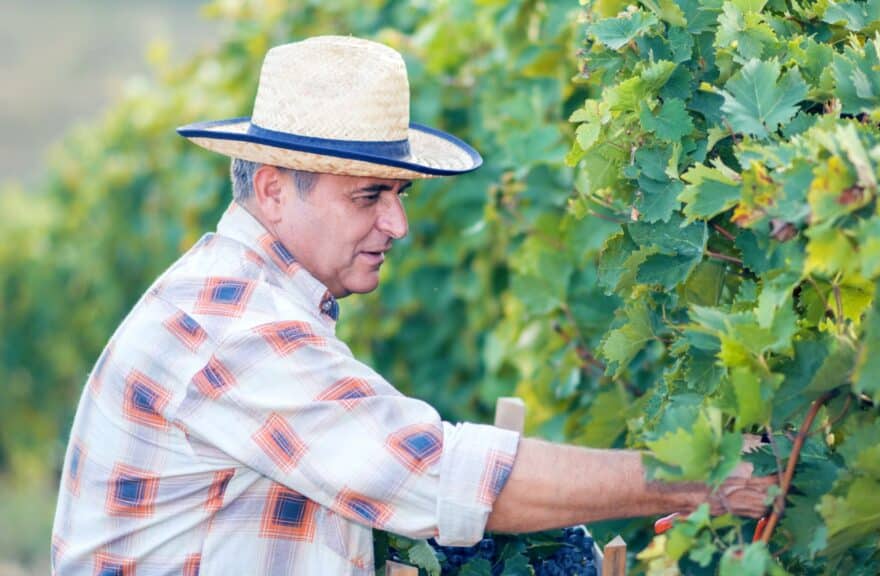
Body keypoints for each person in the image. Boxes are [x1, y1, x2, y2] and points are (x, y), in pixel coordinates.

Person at [51, 36, 772, 575]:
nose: (398, 226)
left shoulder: (249, 298)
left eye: (400, 194)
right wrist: (698, 475)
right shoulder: (235, 326)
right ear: (272, 191)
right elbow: (441, 476)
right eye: (368, 195)